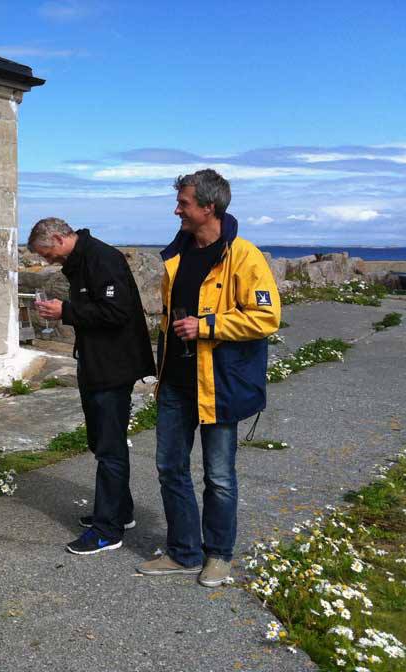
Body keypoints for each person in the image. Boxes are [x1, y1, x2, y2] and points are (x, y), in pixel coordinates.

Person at [136, 169, 280, 587]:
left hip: (221, 385)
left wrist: (208, 326)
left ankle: (218, 556)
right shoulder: (177, 254)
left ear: (208, 207)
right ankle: (183, 552)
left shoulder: (246, 257)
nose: (176, 209)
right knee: (170, 468)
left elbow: (267, 317)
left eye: (183, 203)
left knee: (218, 475)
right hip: (176, 384)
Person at [29, 217, 155, 555]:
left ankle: (107, 530)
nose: (48, 262)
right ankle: (120, 511)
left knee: (110, 448)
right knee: (101, 442)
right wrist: (67, 312)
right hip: (96, 363)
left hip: (113, 367)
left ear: (58, 238)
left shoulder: (103, 259)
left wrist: (66, 310)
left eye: (48, 254)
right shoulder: (81, 260)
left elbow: (116, 312)